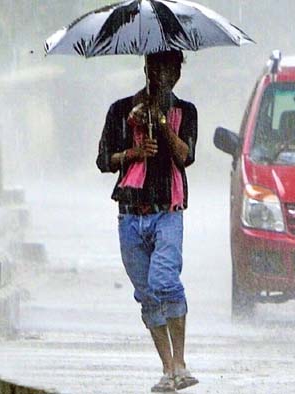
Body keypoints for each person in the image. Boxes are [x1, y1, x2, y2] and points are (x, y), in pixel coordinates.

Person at [96, 50, 199, 392]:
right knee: (146, 293)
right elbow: (103, 160)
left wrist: (164, 124)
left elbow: (186, 156)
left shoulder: (186, 112)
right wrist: (133, 152)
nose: (162, 77)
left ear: (177, 75)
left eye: (170, 71)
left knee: (165, 280)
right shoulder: (120, 110)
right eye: (156, 69)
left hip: (168, 210)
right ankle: (167, 368)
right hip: (130, 213)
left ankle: (181, 361)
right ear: (146, 70)